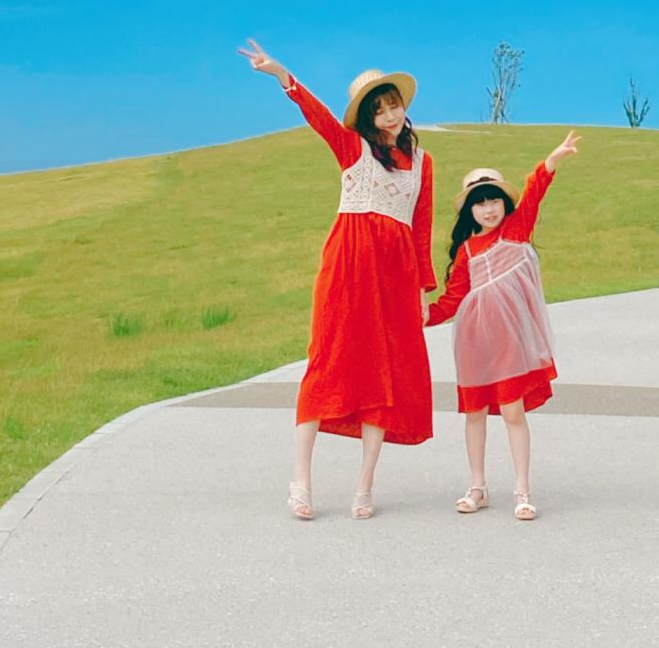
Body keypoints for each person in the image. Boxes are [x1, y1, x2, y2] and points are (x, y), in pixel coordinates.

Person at [239, 41, 434, 521]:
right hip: (348, 265)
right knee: (326, 361)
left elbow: (422, 225)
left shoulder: (423, 162)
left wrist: (424, 288)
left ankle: (364, 485)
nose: (389, 114)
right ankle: (301, 481)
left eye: (394, 105)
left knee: (382, 372)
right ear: (367, 117)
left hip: (395, 274)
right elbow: (321, 119)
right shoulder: (353, 149)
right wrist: (284, 75)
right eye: (380, 109)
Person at [425, 133, 579, 521]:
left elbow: (535, 191)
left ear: (504, 203)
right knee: (474, 413)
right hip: (475, 342)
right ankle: (477, 487)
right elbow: (451, 300)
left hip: (511, 341)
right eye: (479, 203)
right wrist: (421, 315)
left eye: (494, 199)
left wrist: (552, 160)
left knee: (512, 412)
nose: (488, 208)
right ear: (469, 212)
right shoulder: (466, 251)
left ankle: (522, 491)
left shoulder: (514, 231)